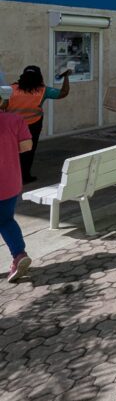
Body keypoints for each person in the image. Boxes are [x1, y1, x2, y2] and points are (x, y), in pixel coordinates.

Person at [6, 65, 71, 184]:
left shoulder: (11, 89)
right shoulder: (43, 90)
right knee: (28, 151)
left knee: (11, 150)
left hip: (12, 125)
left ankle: (10, 175)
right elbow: (63, 93)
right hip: (32, 125)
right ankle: (25, 176)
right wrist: (66, 77)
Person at [0, 109, 33, 281]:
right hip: (10, 182)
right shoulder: (15, 119)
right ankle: (19, 255)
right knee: (5, 220)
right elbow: (26, 146)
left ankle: (19, 255)